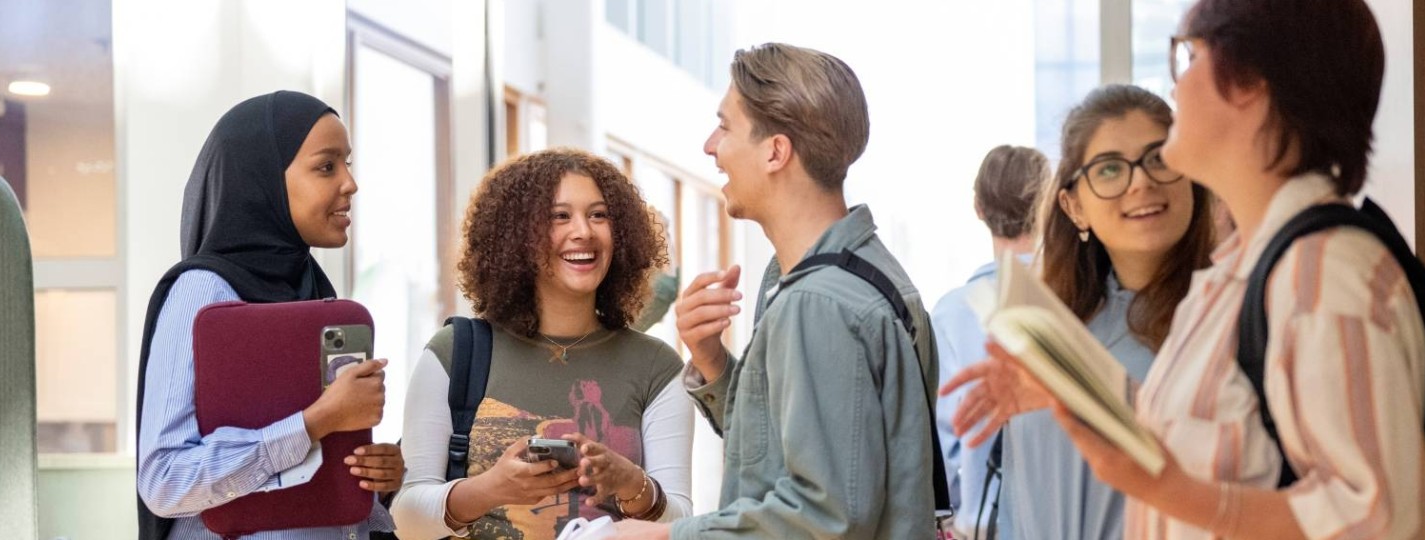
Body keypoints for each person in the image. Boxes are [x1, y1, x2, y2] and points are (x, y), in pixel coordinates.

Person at [947, 1, 1425, 538]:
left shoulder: (1321, 272)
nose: (1175, 89)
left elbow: (1377, 520)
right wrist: (1079, 393)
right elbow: (1227, 436)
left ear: (1247, 82)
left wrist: (1171, 492)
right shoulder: (1247, 272)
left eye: (1188, 56)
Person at [611, 42, 941, 539]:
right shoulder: (867, 274)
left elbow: (825, 515)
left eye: (724, 126)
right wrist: (713, 361)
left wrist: (663, 536)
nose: (709, 146)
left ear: (775, 151)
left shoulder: (818, 304)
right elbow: (808, 453)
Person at [135, 90, 400, 539]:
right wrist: (316, 422)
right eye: (326, 166)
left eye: (347, 163)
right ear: (262, 179)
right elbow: (165, 479)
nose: (350, 183)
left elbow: (313, 490)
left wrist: (378, 483)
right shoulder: (204, 290)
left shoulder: (314, 293)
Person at [392, 148, 693, 539]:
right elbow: (404, 520)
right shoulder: (454, 353)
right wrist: (490, 489)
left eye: (598, 215)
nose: (583, 230)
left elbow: (683, 522)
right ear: (517, 236)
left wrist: (630, 482)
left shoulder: (657, 367)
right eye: (559, 216)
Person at [1007, 85, 1217, 540]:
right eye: (1109, 168)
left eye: (1159, 158)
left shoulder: (1230, 319)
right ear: (1074, 205)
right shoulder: (1044, 332)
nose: (1140, 182)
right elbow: (1018, 508)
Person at [930, 144, 1045, 540]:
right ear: (1049, 207)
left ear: (978, 207)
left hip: (982, 528)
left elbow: (941, 446)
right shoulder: (1075, 302)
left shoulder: (952, 313)